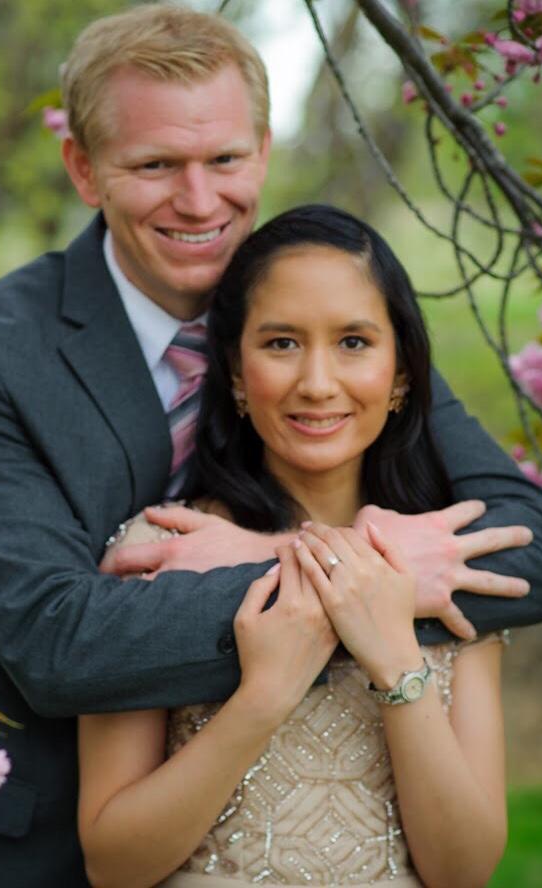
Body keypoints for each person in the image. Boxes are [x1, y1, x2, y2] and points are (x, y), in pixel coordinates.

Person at [0, 6, 542, 887]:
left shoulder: (329, 318)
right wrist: (360, 579)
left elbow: (540, 560)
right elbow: (60, 646)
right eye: (155, 164)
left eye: (224, 160)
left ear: (264, 152)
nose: (200, 200)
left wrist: (276, 558)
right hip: (31, 847)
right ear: (84, 168)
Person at [79, 204, 508, 888]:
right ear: (237, 375)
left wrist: (399, 660)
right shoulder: (165, 550)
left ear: (402, 374)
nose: (316, 382)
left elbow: (464, 871)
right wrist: (262, 698)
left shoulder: (447, 558)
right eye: (281, 343)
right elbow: (113, 863)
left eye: (354, 342)